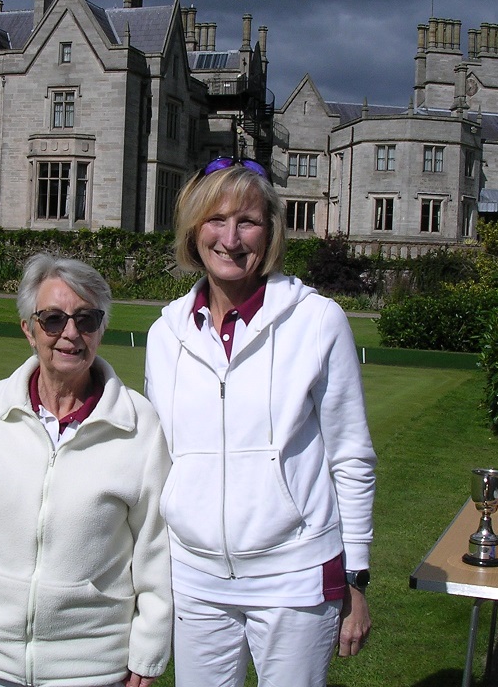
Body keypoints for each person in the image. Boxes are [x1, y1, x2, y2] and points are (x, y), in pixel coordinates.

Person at [144, 157, 377, 687]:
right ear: (194, 231)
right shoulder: (165, 333)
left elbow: (351, 456)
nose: (230, 238)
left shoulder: (317, 320)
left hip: (294, 575)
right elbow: (162, 458)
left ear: (269, 232)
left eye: (247, 221)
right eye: (215, 220)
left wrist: (356, 576)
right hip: (195, 578)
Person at [0, 253, 172, 687]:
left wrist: (149, 647)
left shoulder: (139, 423)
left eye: (86, 319)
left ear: (102, 329)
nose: (70, 333)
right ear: (29, 329)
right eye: (53, 319)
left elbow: (155, 546)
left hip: (90, 664)